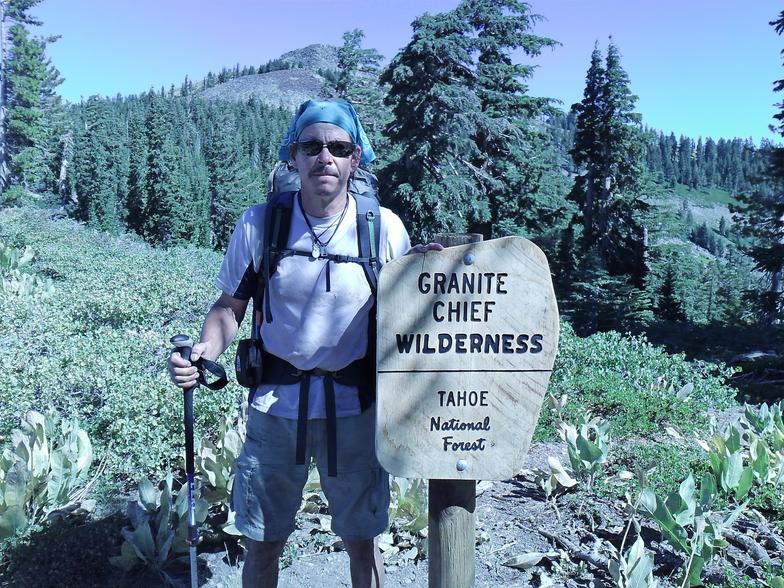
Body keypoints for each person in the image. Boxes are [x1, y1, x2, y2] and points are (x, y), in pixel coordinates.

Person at [168, 99, 431, 588]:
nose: (324, 157)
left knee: (363, 540)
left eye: (338, 147)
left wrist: (426, 274)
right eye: (311, 146)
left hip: (355, 409)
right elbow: (229, 308)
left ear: (356, 158)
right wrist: (205, 351)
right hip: (275, 407)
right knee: (263, 540)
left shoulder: (384, 228)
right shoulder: (259, 224)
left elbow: (406, 313)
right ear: (293, 155)